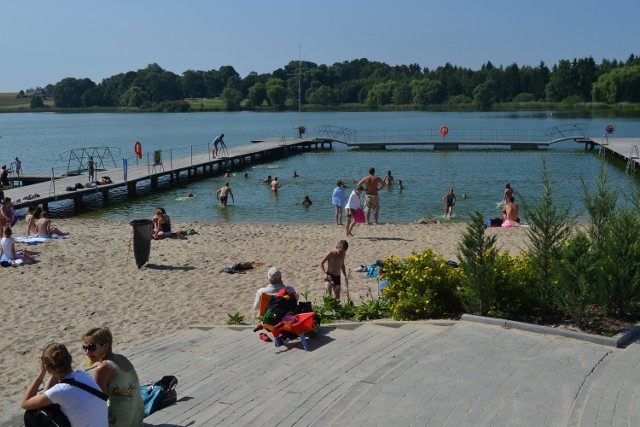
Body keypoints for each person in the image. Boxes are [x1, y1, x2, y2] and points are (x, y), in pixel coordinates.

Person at [21, 343, 108, 427]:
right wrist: (53, 368)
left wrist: (41, 373)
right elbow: (48, 393)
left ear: (47, 368)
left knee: (31, 415)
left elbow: (25, 403)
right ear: (70, 359)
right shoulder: (83, 374)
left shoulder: (61, 390)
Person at [82, 327, 145, 426]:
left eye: (92, 348)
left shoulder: (103, 368)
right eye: (84, 348)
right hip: (137, 419)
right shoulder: (122, 358)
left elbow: (97, 404)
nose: (87, 353)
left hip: (120, 423)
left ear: (106, 346)